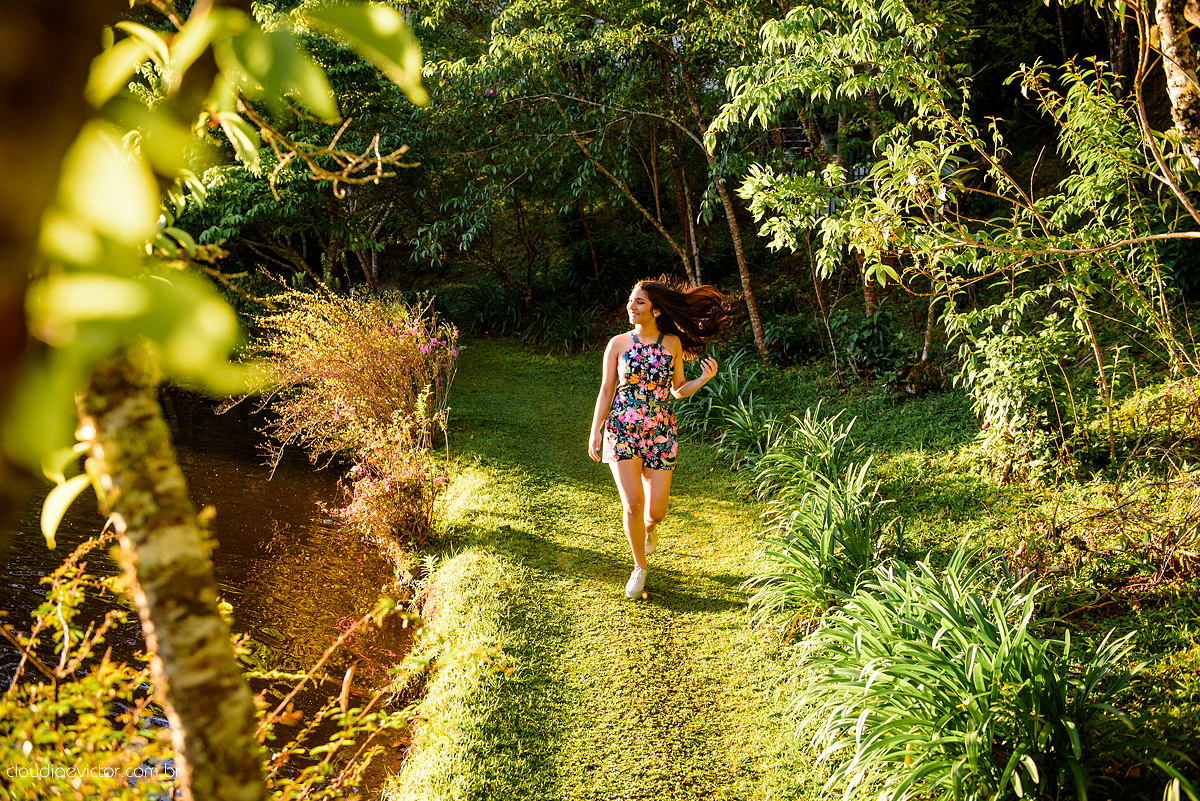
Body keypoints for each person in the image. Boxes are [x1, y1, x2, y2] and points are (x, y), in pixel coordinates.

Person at [588, 279, 729, 599]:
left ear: (655, 309)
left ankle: (649, 530)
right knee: (632, 503)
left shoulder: (672, 345)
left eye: (639, 302)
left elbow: (677, 390)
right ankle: (640, 567)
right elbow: (606, 390)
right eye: (630, 300)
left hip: (660, 433)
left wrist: (703, 378)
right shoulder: (618, 344)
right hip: (622, 430)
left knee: (656, 511)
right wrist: (596, 430)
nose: (631, 306)